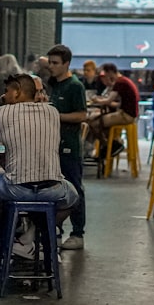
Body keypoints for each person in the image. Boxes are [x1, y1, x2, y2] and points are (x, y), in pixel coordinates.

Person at [0, 73, 79, 259]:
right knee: (73, 197)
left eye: (7, 91)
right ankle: (34, 238)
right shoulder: (53, 112)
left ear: (17, 92)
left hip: (16, 189)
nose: (4, 95)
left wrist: (2, 107)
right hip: (52, 189)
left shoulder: (0, 112)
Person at [45, 44, 88, 251]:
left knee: (75, 188)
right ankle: (57, 229)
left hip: (69, 147)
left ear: (66, 64)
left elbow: (81, 115)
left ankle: (78, 232)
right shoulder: (53, 85)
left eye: (55, 63)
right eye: (50, 62)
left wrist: (55, 116)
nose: (51, 67)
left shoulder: (75, 87)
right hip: (52, 147)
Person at [85, 62, 139, 155]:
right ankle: (111, 144)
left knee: (94, 123)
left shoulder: (120, 82)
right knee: (100, 122)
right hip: (129, 113)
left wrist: (95, 100)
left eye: (106, 74)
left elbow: (108, 101)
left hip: (126, 115)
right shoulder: (124, 81)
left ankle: (110, 145)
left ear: (110, 72)